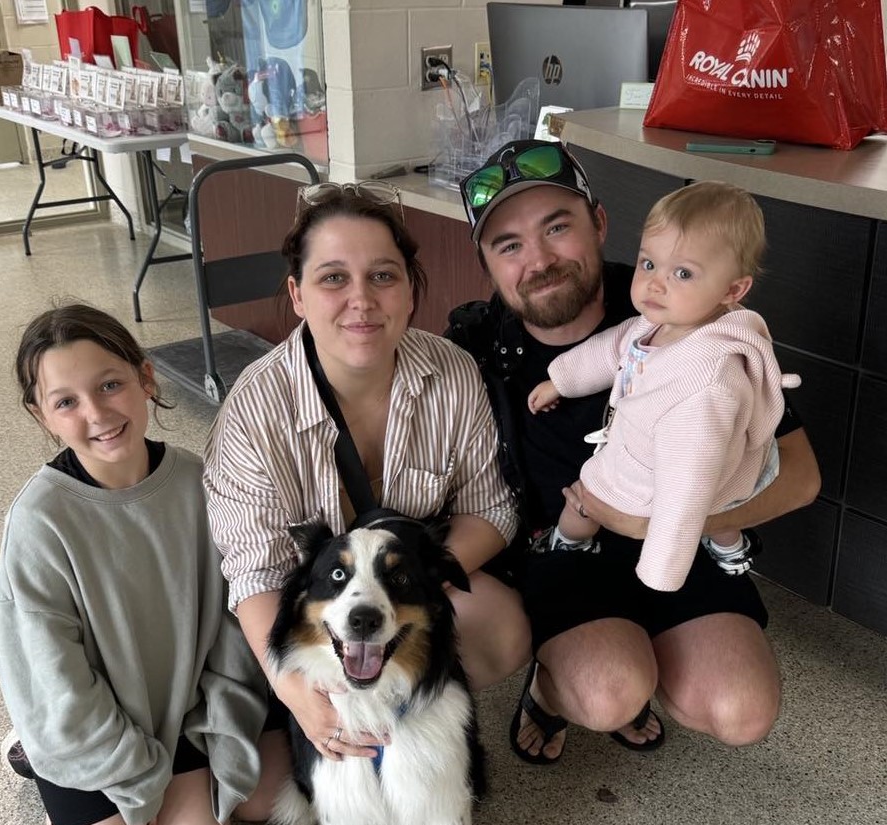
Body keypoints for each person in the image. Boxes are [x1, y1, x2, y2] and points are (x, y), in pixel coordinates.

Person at [447, 140, 821, 763]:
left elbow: (802, 477)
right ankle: (551, 686)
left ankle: (644, 650)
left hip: (690, 539)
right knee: (608, 693)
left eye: (556, 227)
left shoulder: (692, 311)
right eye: (508, 245)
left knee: (743, 711)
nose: (536, 260)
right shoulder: (477, 347)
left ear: (598, 223)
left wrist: (674, 522)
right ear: (487, 263)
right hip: (566, 554)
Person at [203, 181, 530, 762]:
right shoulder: (255, 410)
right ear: (297, 295)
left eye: (383, 275)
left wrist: (417, 582)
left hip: (399, 591)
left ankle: (401, 721)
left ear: (409, 291)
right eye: (333, 277)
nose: (361, 299)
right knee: (265, 766)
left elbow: (491, 508)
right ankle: (327, 714)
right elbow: (254, 574)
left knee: (502, 630)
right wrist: (295, 691)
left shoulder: (452, 373)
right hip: (306, 611)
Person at [0, 304, 288, 825]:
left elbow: (229, 616)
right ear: (41, 415)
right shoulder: (40, 520)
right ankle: (33, 760)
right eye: (66, 401)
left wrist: (224, 717)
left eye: (110, 384)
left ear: (145, 379)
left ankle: (150, 774)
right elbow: (53, 678)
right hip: (83, 723)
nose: (97, 414)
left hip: (174, 704)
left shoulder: (194, 481)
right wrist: (128, 778)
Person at [527, 180, 801, 592]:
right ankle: (729, 544)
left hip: (672, 478)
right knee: (722, 503)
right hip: (697, 463)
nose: (655, 283)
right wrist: (561, 380)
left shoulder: (705, 389)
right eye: (648, 264)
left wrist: (661, 570)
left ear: (733, 290)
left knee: (585, 497)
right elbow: (612, 348)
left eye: (683, 273)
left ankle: (567, 545)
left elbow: (683, 494)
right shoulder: (662, 322)